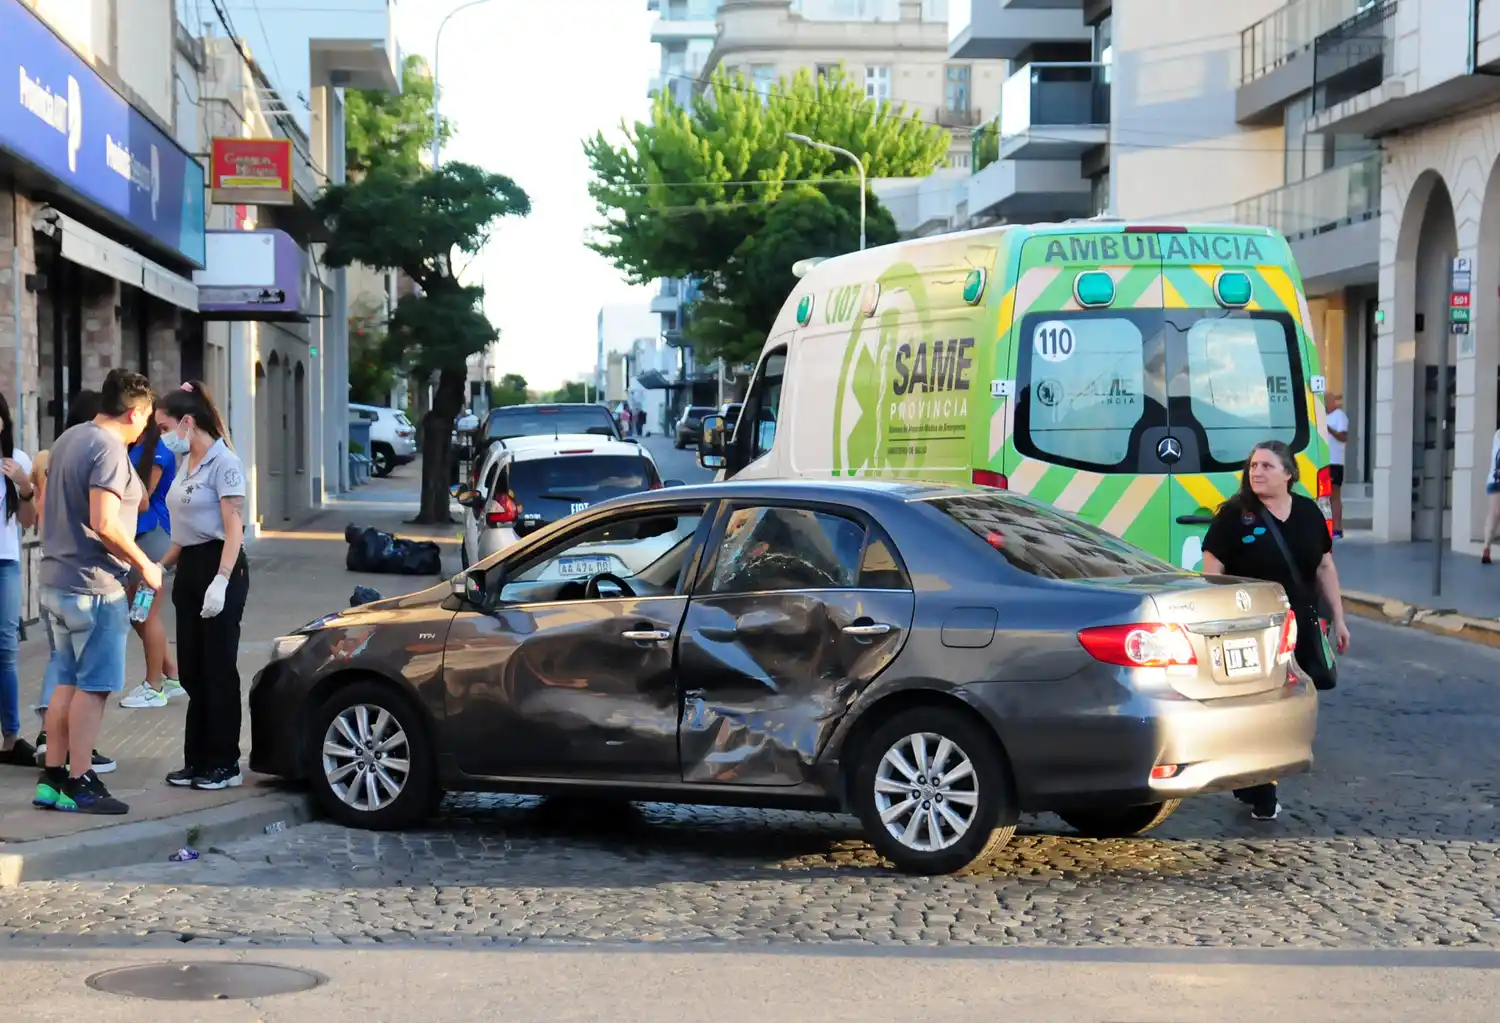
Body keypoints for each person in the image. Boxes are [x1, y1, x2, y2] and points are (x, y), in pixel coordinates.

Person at [1201, 439, 1351, 823]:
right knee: (1262, 705)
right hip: (1250, 629)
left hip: (1298, 624)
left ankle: (1254, 776)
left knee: (1289, 704)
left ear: (1288, 474)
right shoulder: (1234, 516)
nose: (1257, 472)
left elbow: (1324, 567)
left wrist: (1339, 618)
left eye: (1266, 466)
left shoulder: (1307, 513)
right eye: (1253, 466)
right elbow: (1212, 571)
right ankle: (1263, 786)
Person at [34, 370, 160, 815]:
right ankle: (80, 780)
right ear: (135, 412)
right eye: (147, 417)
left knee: (66, 681)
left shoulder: (70, 438)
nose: (146, 427)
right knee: (94, 687)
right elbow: (104, 521)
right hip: (94, 586)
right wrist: (144, 563)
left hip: (56, 581)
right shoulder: (106, 448)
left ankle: (52, 778)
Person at [156, 381, 249, 791]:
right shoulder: (186, 463)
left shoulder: (224, 462)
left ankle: (225, 762)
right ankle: (196, 759)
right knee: (192, 669)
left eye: (165, 427)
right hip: (190, 565)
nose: (162, 436)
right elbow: (185, 530)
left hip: (220, 563)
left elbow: (233, 527)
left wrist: (222, 580)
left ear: (187, 422)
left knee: (218, 668)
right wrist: (160, 566)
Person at [30, 391, 116, 771]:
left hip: (53, 571)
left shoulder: (53, 454)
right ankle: (79, 766)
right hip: (86, 577)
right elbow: (106, 521)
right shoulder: (99, 453)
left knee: (62, 667)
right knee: (89, 679)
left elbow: (41, 513)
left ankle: (51, 756)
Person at [119, 408, 182, 709]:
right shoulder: (135, 446)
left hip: (152, 539)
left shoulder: (159, 451)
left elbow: (143, 496)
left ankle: (153, 686)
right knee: (138, 614)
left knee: (145, 613)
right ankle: (172, 676)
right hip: (138, 540)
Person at [0, 393, 38, 767]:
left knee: (6, 650)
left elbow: (28, 521)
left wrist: (24, 486)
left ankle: (10, 738)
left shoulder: (17, 460)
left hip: (5, 563)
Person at [1325, 394, 1348, 539]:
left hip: (1335, 462)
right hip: (1323, 462)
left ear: (1332, 401)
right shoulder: (1323, 416)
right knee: (1325, 497)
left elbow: (1343, 437)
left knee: (1334, 496)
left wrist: (1329, 429)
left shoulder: (1339, 416)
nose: (1325, 403)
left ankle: (1337, 528)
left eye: (1326, 400)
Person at [1484, 427, 1500, 565]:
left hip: (1494, 480)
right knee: (1495, 513)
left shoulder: (1497, 434)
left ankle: (1486, 547)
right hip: (1496, 481)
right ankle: (1486, 548)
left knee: (1494, 514)